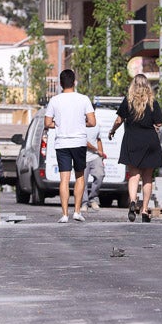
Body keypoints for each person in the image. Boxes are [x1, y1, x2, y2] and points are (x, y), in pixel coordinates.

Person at [109, 74, 162, 222]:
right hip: (149, 140)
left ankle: (133, 201)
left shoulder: (128, 101)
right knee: (147, 177)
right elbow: (159, 123)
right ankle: (145, 209)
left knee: (134, 175)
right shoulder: (152, 102)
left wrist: (112, 130)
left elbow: (119, 119)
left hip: (132, 139)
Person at [45, 69, 96, 223]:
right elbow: (92, 122)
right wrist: (81, 123)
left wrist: (59, 125)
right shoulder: (83, 99)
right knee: (80, 177)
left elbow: (47, 123)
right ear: (74, 82)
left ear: (61, 84)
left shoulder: (55, 100)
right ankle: (78, 211)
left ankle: (65, 214)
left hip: (62, 143)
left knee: (64, 179)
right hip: (79, 142)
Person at [82, 121, 106, 211]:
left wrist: (101, 153)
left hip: (95, 156)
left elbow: (98, 140)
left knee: (100, 175)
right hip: (82, 156)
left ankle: (93, 198)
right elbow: (84, 142)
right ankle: (84, 203)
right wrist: (96, 150)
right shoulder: (80, 124)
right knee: (82, 181)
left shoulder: (96, 125)